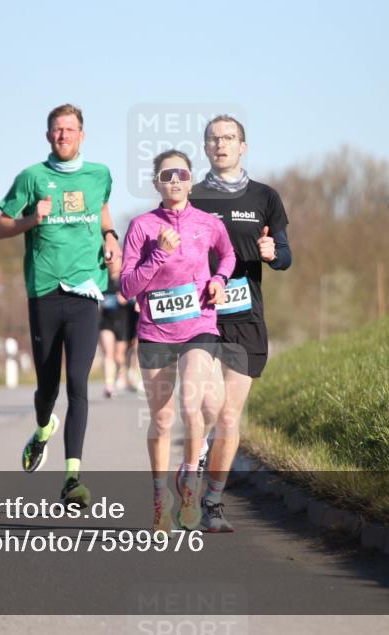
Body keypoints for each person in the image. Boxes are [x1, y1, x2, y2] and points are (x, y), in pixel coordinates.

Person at [0, 103, 122, 507]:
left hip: (86, 290)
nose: (63, 135)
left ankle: (72, 478)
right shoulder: (31, 178)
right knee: (47, 388)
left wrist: (111, 236)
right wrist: (31, 219)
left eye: (70, 129)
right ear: (48, 136)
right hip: (45, 290)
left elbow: (101, 208)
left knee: (79, 383)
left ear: (82, 135)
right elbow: (0, 227)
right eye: (56, 130)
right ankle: (42, 426)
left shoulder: (100, 174)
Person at [120, 149, 235, 531]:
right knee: (163, 420)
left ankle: (189, 481)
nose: (175, 181)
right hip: (155, 332)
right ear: (156, 182)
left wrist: (218, 281)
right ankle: (159, 497)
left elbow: (229, 254)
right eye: (167, 175)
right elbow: (127, 287)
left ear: (190, 181)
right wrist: (157, 255)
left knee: (192, 405)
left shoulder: (207, 223)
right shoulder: (141, 226)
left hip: (199, 324)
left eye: (182, 174)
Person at [189, 115, 292, 532]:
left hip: (246, 315)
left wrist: (272, 252)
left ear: (243, 146)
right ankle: (193, 460)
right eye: (213, 139)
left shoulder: (266, 197)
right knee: (208, 408)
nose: (221, 144)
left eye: (229, 138)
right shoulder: (191, 197)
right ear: (205, 147)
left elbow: (285, 256)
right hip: (201, 314)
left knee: (230, 418)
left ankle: (213, 503)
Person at [98, 274, 130, 398]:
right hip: (106, 321)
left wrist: (127, 298)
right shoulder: (103, 279)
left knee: (119, 355)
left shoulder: (126, 277)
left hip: (123, 321)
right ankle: (109, 386)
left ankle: (122, 374)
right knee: (108, 352)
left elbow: (135, 298)